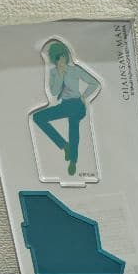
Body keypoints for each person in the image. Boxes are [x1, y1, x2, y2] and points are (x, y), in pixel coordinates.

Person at [31, 39, 100, 177]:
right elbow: (54, 92)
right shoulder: (53, 73)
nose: (60, 60)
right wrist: (60, 75)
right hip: (64, 105)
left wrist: (84, 96)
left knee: (73, 126)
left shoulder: (74, 70)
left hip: (77, 104)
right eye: (57, 58)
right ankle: (64, 146)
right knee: (37, 117)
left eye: (62, 56)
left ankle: (73, 161)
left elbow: (94, 83)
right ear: (54, 59)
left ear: (66, 56)